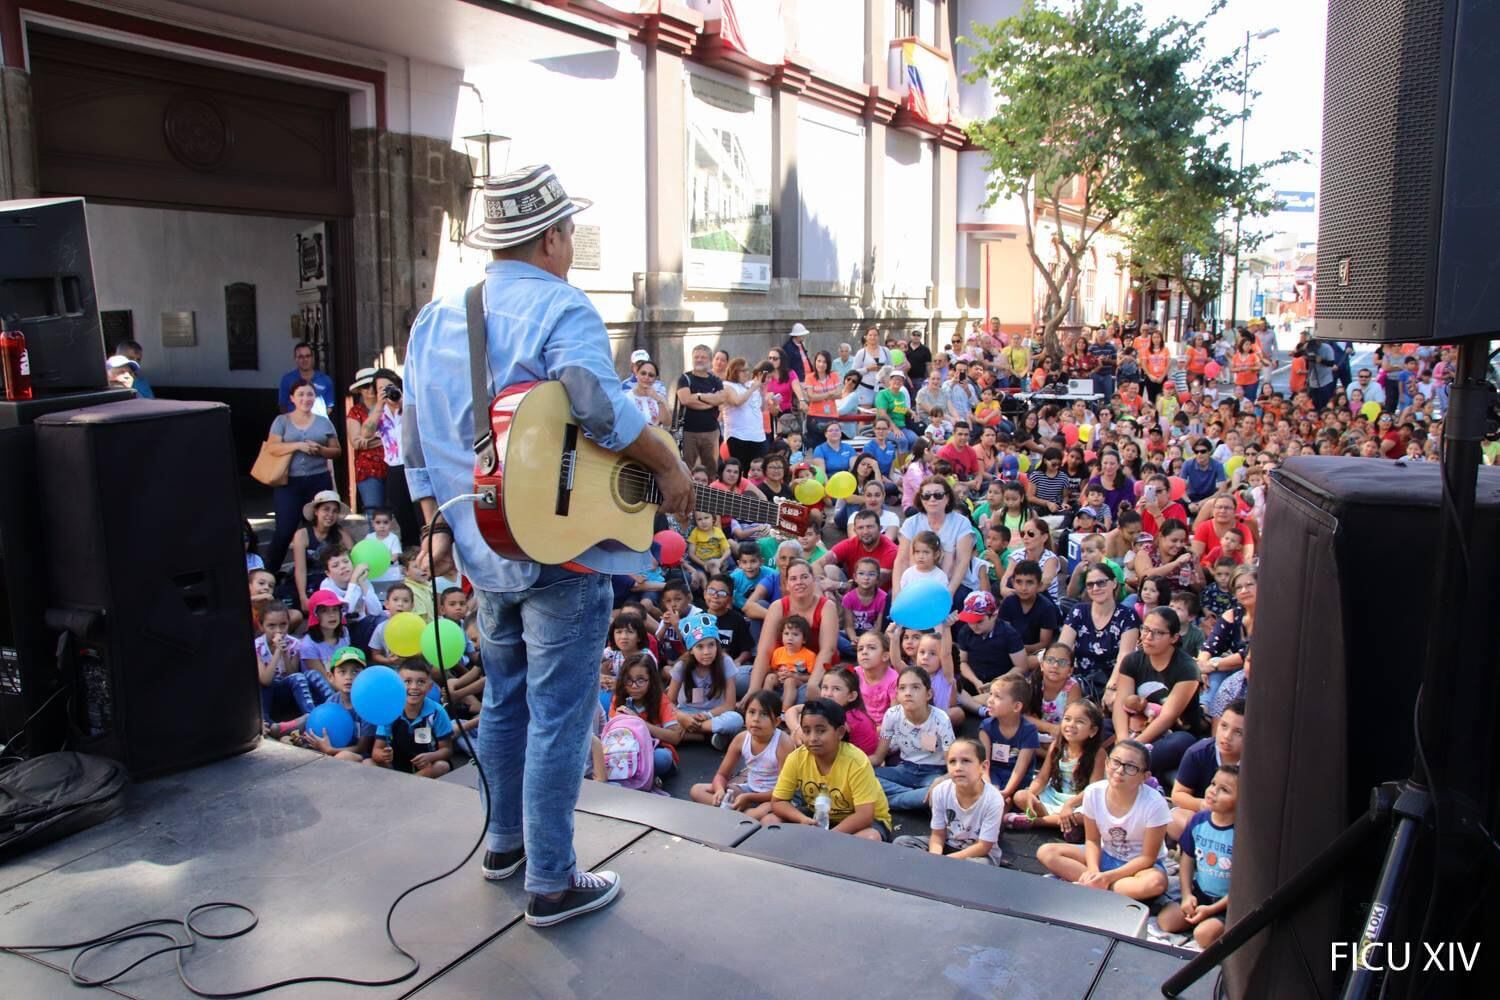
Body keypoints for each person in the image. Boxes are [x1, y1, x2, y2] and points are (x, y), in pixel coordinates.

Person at [402, 165, 692, 926]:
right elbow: (596, 404)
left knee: (504, 699)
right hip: (561, 556)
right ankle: (553, 882)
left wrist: (438, 520)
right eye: (568, 232)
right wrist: (667, 463)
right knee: (560, 715)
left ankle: (504, 845)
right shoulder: (563, 304)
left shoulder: (434, 316)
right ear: (553, 238)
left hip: (482, 547)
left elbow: (412, 435)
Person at [1037, 739, 1171, 901]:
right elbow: (1092, 840)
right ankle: (1101, 886)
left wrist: (1107, 877)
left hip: (1139, 867)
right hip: (1105, 854)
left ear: (1145, 776)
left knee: (1155, 883)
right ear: (1107, 763)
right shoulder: (1093, 792)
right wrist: (1093, 870)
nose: (1120, 771)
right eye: (1116, 762)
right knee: (1046, 852)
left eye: (1130, 767)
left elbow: (1147, 858)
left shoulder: (1155, 804)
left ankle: (1093, 886)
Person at [766, 699, 893, 841]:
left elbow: (864, 816)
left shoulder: (856, 761)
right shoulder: (796, 758)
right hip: (819, 817)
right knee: (770, 820)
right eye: (806, 731)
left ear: (840, 732)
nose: (813, 738)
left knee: (870, 837)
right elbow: (778, 802)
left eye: (821, 731)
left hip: (863, 822)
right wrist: (801, 819)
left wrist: (826, 838)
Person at [1111, 608, 1204, 776]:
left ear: (1174, 638)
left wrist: (1132, 747)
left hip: (1169, 733)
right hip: (1133, 728)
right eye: (1145, 629)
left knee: (1181, 742)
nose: (1148, 637)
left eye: (1158, 633)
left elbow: (1167, 717)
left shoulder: (1187, 668)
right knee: (1097, 727)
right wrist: (1123, 739)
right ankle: (1129, 765)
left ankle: (1129, 766)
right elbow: (1121, 704)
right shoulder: (1132, 660)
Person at [263, 381, 342, 577]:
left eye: (309, 394)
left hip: (318, 480)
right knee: (285, 529)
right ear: (292, 398)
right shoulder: (282, 421)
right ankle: (269, 574)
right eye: (301, 394)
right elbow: (272, 448)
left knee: (321, 527)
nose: (306, 399)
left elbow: (336, 451)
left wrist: (321, 450)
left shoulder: (324, 422)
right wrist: (297, 446)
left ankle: (324, 571)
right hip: (289, 482)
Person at [1158, 764, 1238, 949]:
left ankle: (1221, 925)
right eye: (1213, 784)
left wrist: (1211, 910)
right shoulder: (1199, 820)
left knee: (1203, 935)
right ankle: (1200, 917)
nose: (1213, 791)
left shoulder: (1241, 833)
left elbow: (1242, 884)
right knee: (1166, 921)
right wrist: (1187, 895)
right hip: (1200, 893)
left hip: (1227, 903)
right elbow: (1187, 858)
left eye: (1224, 790)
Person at [893, 738, 1005, 865]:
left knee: (980, 866)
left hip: (976, 854)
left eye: (966, 761)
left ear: (983, 767)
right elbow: (938, 835)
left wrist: (945, 862)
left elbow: (983, 846)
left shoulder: (993, 799)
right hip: (948, 845)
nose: (958, 767)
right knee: (902, 842)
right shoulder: (940, 791)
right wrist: (935, 857)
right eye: (952, 762)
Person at [1008, 699, 1106, 833]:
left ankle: (1035, 822)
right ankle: (1064, 824)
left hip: (1079, 800)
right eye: (1067, 719)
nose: (1071, 725)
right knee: (1020, 796)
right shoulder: (1057, 746)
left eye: (1080, 722)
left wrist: (1070, 804)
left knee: (1085, 816)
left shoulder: (1098, 753)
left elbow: (1092, 790)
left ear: (1093, 731)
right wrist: (1031, 793)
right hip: (1054, 795)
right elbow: (1042, 777)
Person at [691, 690, 788, 818]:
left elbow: (783, 791)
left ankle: (738, 813)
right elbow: (722, 775)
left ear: (776, 721)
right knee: (697, 790)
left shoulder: (783, 743)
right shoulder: (741, 739)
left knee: (770, 816)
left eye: (764, 714)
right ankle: (740, 813)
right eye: (751, 712)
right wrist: (719, 790)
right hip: (749, 789)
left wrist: (748, 797)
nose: (756, 719)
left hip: (773, 796)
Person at [870, 666, 955, 810]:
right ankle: (915, 798)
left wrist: (942, 780)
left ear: (928, 694)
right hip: (905, 769)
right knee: (866, 776)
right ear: (897, 694)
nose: (908, 693)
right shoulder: (892, 714)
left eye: (915, 687)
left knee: (942, 790)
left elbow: (952, 765)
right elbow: (878, 758)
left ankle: (891, 800)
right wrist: (855, 764)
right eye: (902, 688)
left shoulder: (941, 719)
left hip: (933, 772)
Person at [1059, 565, 1140, 701]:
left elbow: (1124, 656)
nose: (1095, 588)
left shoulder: (1127, 615)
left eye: (1101, 583)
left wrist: (1111, 688)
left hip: (1115, 679)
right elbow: (1063, 648)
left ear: (1114, 583)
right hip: (1080, 681)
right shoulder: (1079, 611)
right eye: (1090, 585)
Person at [1169, 698, 1245, 839]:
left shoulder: (1257, 762)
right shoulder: (1198, 753)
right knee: (1174, 818)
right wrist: (1204, 805)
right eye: (1224, 726)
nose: (1227, 736)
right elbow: (1178, 794)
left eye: (1238, 732)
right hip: (1205, 816)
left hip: (1239, 823)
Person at [892, 476, 977, 599]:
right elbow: (901, 560)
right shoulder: (910, 523)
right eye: (926, 496)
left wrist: (949, 592)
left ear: (947, 498)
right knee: (891, 597)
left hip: (955, 583)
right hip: (917, 582)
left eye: (938, 495)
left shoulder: (961, 523)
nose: (932, 499)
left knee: (960, 598)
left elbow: (962, 561)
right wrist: (897, 592)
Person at [370, 660, 455, 778]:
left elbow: (447, 750)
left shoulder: (437, 712)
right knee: (368, 763)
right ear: (397, 685)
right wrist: (383, 755)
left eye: (421, 682)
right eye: (407, 682)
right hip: (396, 766)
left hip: (426, 767)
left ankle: (408, 783)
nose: (414, 687)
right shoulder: (390, 711)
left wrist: (430, 757)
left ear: (430, 687)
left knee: (442, 766)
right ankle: (404, 783)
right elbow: (376, 751)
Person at [979, 674, 1040, 807]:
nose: (990, 700)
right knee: (989, 799)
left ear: (1016, 707)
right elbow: (984, 763)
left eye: (998, 697)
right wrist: (989, 786)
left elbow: (1020, 769)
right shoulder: (986, 727)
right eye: (991, 694)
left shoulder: (1029, 730)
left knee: (1006, 802)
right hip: (994, 774)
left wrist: (1006, 792)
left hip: (1018, 780)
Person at [289, 490, 356, 611]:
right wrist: (303, 597)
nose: (330, 514)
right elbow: (300, 570)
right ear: (316, 511)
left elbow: (354, 557)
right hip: (308, 583)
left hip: (333, 582)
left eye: (335, 511)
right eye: (326, 509)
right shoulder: (302, 535)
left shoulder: (340, 533)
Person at [676, 343, 728, 476]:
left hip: (711, 432)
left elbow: (721, 399)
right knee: (687, 468)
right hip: (689, 432)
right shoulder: (685, 378)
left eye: (703, 357)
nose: (699, 360)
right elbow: (686, 400)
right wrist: (710, 400)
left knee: (712, 468)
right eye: (696, 357)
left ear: (709, 360)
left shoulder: (715, 380)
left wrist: (698, 396)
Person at [346, 368, 388, 516]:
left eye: (373, 385)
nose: (370, 389)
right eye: (365, 386)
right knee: (373, 512)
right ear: (359, 390)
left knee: (399, 510)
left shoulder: (391, 406)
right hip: (368, 469)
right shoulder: (355, 411)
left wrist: (368, 440)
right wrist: (385, 440)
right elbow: (356, 442)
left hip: (393, 466)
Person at [279, 340, 336, 415]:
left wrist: (316, 420)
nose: (305, 359)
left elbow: (329, 406)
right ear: (295, 359)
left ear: (312, 358)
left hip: (318, 421)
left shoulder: (326, 380)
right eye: (301, 357)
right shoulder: (287, 380)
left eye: (307, 356)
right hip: (294, 421)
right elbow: (283, 405)